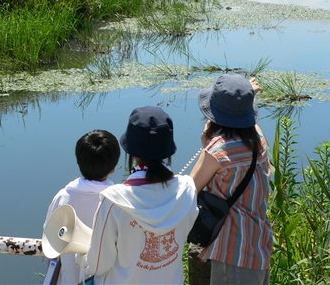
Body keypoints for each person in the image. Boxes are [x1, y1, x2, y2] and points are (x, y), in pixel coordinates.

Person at [80, 106, 198, 284]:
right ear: (168, 150)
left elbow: (98, 265)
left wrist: (81, 259)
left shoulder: (113, 200)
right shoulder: (187, 188)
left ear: (132, 153)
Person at [189, 73, 273, 285]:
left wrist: (206, 143)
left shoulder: (217, 151)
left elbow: (189, 190)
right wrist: (247, 96)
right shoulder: (258, 138)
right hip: (259, 244)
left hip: (233, 251)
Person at [43, 129, 121, 285]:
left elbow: (51, 243)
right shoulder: (119, 201)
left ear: (79, 162)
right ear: (113, 167)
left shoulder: (63, 197)